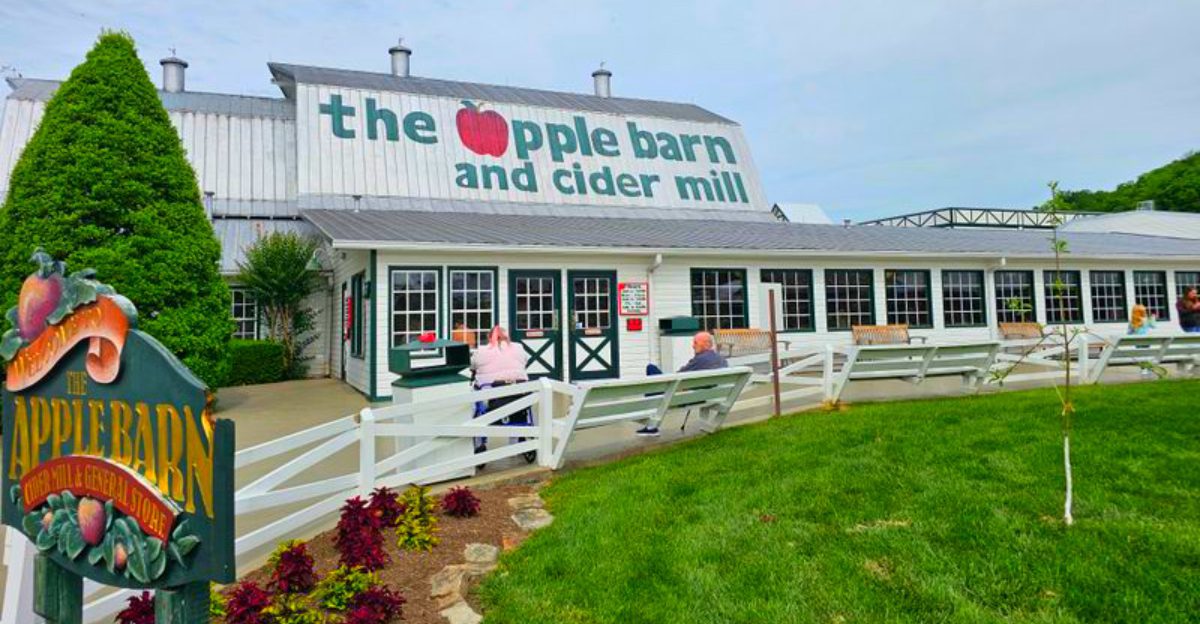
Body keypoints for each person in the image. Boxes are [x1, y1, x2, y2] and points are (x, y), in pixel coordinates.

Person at [636, 331, 728, 437]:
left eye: (695, 343)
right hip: (702, 396)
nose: (693, 346)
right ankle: (651, 426)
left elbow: (677, 376)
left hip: (682, 398)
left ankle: (651, 426)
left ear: (707, 344)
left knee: (651, 369)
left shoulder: (700, 360)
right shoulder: (722, 360)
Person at [470, 326, 530, 455]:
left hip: (492, 396)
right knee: (519, 404)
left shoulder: (482, 351)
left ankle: (480, 443)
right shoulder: (518, 348)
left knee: (475, 399)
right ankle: (516, 440)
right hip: (518, 395)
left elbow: (473, 365)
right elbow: (525, 361)